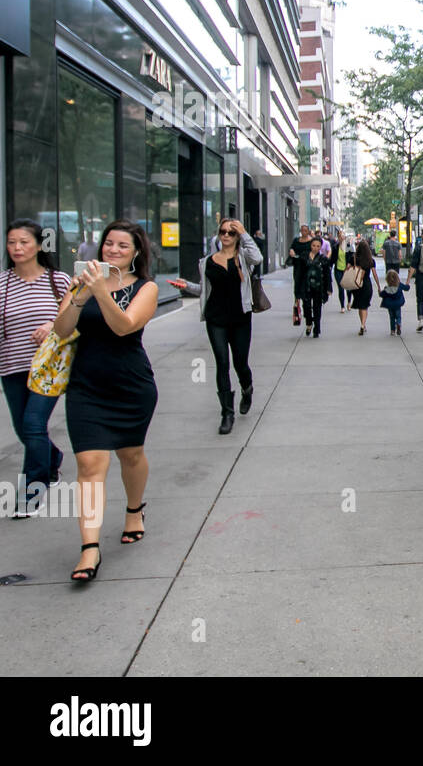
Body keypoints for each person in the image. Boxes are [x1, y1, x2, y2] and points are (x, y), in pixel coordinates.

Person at [52, 220, 159, 583]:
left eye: (122, 246)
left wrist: (101, 293)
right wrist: (80, 294)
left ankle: (134, 510)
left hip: (130, 387)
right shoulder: (82, 284)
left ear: (136, 252)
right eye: (108, 244)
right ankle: (89, 548)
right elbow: (62, 329)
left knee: (130, 455)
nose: (112, 251)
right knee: (89, 464)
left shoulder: (146, 288)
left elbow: (125, 326)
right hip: (86, 387)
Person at [1, 219, 73, 517]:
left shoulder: (59, 281)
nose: (17, 248)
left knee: (32, 424)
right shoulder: (2, 283)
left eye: (23, 242)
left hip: (48, 369)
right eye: (11, 242)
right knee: (25, 430)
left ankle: (32, 493)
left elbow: (74, 318)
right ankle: (53, 457)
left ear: (38, 245)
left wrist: (52, 324)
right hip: (12, 365)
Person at [174, 218, 263, 435]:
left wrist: (244, 233)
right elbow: (204, 290)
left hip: (240, 317)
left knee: (240, 362)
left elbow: (258, 257)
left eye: (231, 233)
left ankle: (247, 388)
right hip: (216, 318)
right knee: (222, 362)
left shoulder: (243, 257)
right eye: (223, 232)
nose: (226, 235)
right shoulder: (207, 261)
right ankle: (227, 413)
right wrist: (187, 286)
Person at [301, 237, 333, 338]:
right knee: (306, 306)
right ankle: (309, 322)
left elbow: (327, 274)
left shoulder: (323, 259)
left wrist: (329, 288)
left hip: (319, 287)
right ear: (311, 245)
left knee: (317, 307)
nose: (315, 248)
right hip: (306, 286)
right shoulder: (304, 257)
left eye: (318, 246)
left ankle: (317, 328)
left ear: (320, 247)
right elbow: (299, 273)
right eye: (314, 245)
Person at [350, 238, 381, 335]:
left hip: (357, 284)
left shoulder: (354, 258)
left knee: (360, 306)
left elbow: (348, 269)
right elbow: (375, 274)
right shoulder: (370, 260)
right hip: (367, 284)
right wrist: (379, 286)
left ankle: (362, 324)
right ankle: (363, 324)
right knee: (365, 306)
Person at [285, 225, 314, 326]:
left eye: (305, 230)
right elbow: (291, 249)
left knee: (306, 290)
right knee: (297, 285)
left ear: (308, 231)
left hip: (308, 268)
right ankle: (297, 302)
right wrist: (291, 252)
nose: (303, 232)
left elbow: (315, 252)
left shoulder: (311, 242)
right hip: (298, 268)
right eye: (302, 230)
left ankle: (307, 305)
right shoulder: (296, 241)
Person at [378, 270, 410, 336]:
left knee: (392, 317)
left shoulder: (387, 289)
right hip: (397, 304)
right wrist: (408, 284)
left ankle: (392, 330)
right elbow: (406, 288)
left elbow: (381, 294)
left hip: (390, 305)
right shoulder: (399, 285)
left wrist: (379, 292)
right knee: (398, 316)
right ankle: (398, 323)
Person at [333, 233, 353, 312]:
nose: (341, 238)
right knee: (340, 288)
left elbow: (352, 256)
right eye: (340, 237)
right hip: (338, 269)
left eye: (342, 237)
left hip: (347, 270)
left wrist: (349, 263)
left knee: (348, 288)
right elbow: (333, 258)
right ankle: (342, 306)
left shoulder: (348, 247)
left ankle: (348, 302)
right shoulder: (335, 247)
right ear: (338, 238)